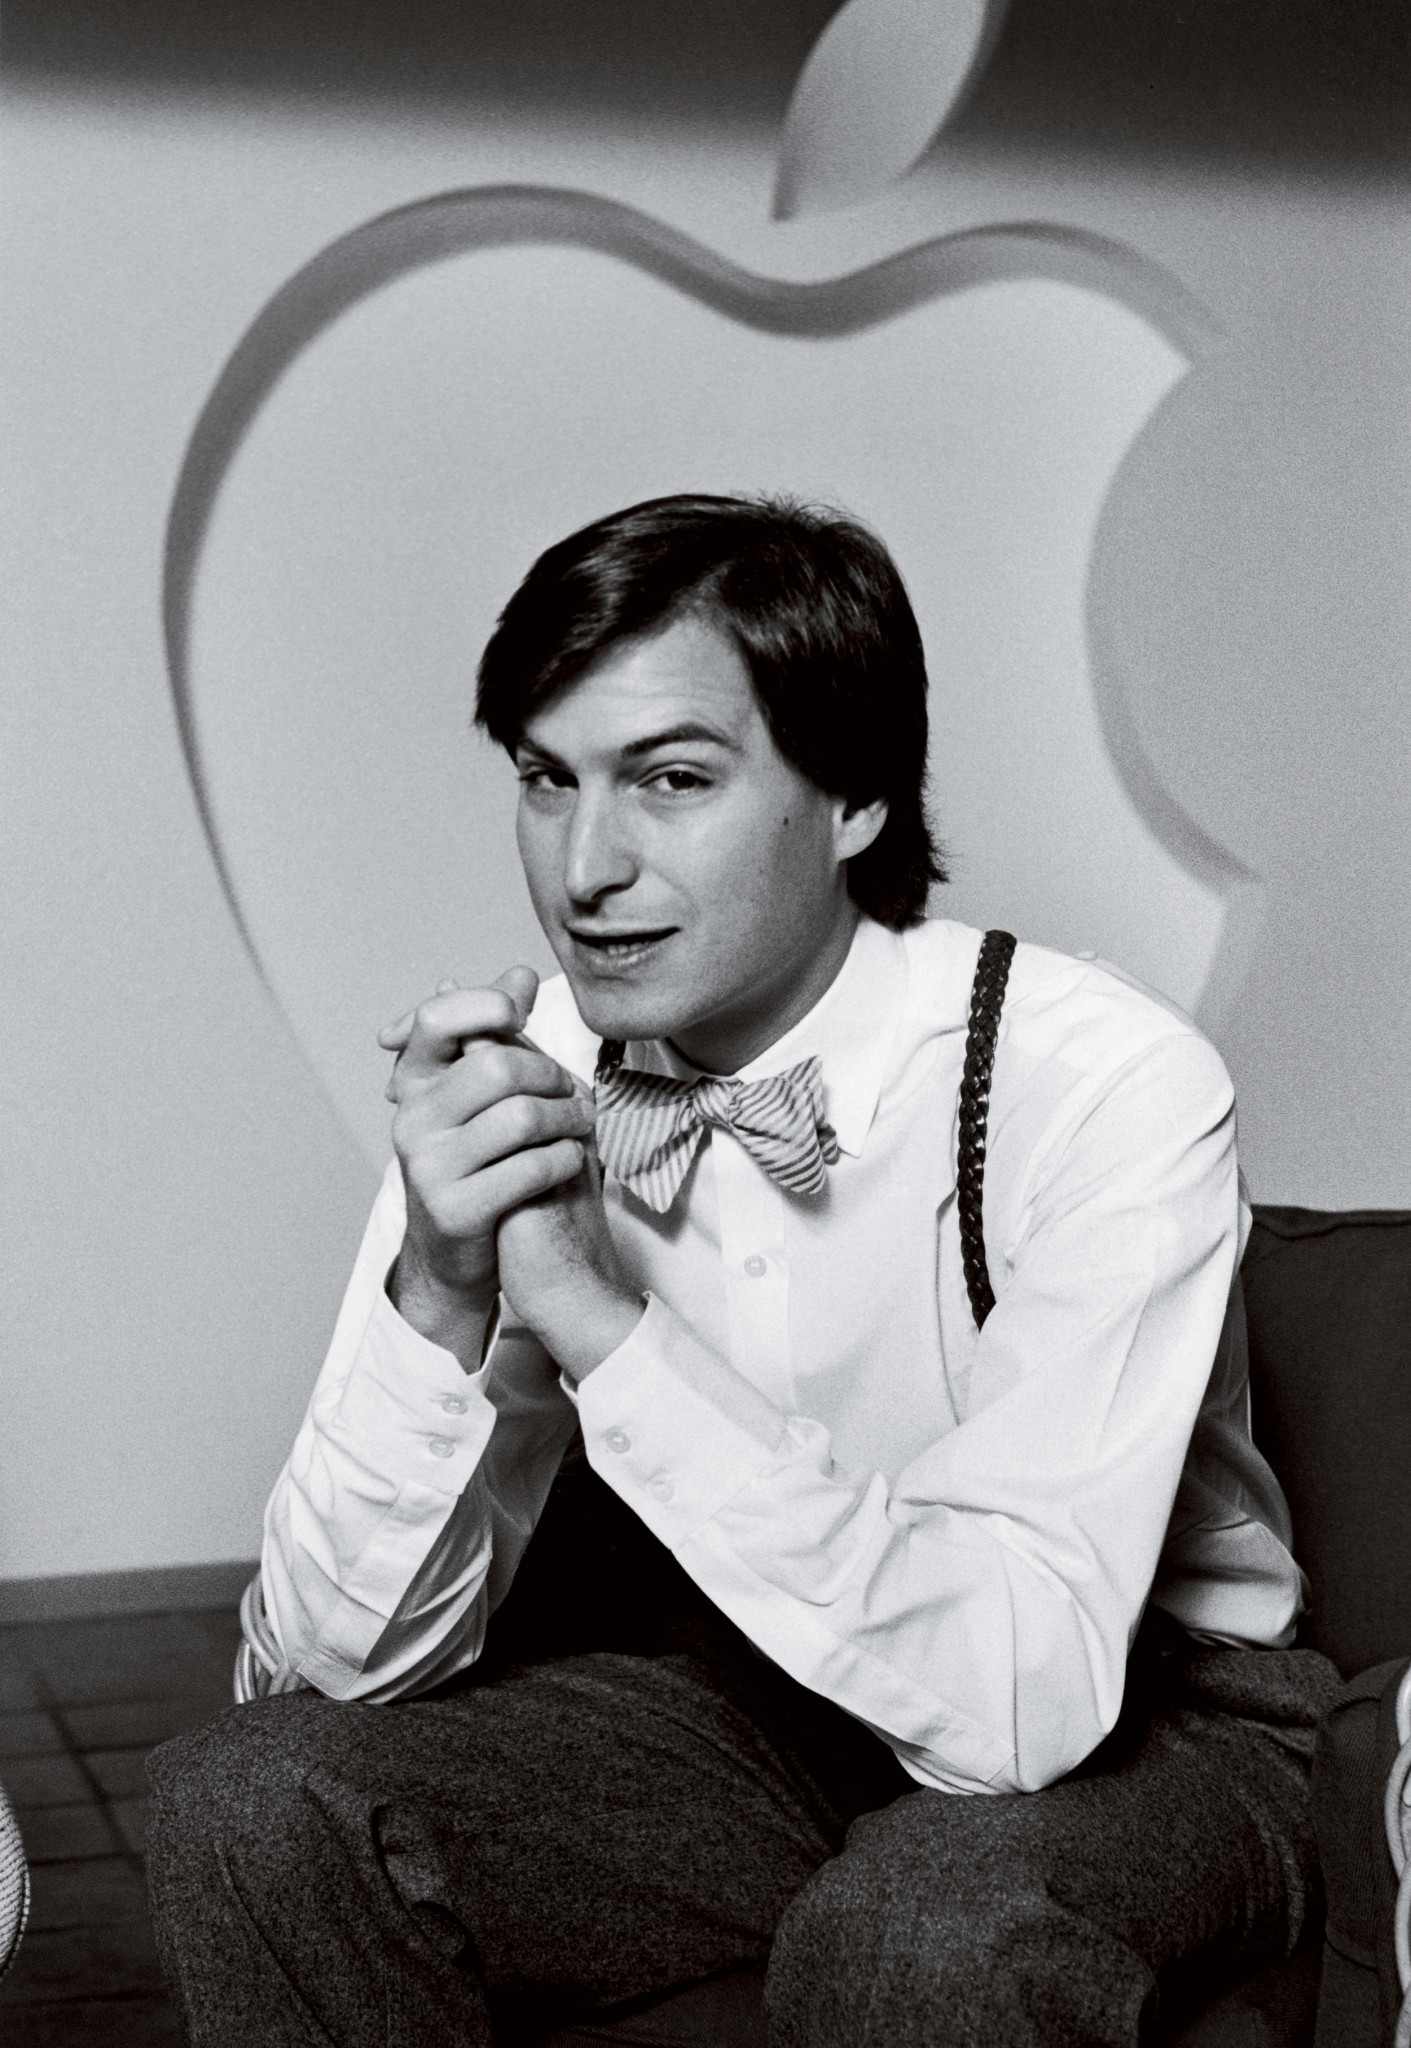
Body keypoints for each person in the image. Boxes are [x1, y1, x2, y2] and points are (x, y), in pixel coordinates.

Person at [146, 493, 1337, 2046]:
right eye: (547, 780)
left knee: (922, 1929)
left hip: (1150, 1714)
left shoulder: (1095, 1077)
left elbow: (1023, 1702)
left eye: (673, 781)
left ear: (854, 797)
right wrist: (440, 1290)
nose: (585, 869)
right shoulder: (528, 1076)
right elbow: (326, 1669)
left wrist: (599, 1324)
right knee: (249, 1802)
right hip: (744, 1690)